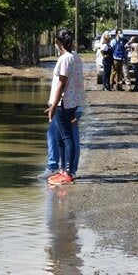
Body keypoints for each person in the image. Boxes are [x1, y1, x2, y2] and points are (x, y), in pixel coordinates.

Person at [44, 28, 85, 186]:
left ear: (57, 42)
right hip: (72, 102)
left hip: (64, 103)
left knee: (67, 138)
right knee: (59, 138)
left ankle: (68, 172)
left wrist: (53, 105)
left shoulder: (65, 59)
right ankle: (62, 170)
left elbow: (61, 83)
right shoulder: (75, 57)